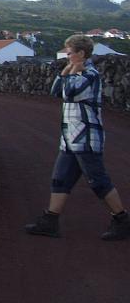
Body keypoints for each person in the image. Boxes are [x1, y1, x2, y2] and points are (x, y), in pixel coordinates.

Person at [25, 34, 130, 240]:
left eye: (70, 53)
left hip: (86, 138)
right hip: (70, 139)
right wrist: (66, 70)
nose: (67, 55)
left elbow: (70, 93)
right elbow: (56, 92)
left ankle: (122, 219)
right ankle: (50, 221)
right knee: (60, 179)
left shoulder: (90, 74)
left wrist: (71, 72)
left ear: (81, 53)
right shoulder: (76, 72)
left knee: (98, 181)